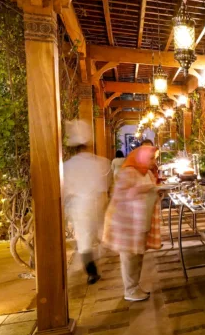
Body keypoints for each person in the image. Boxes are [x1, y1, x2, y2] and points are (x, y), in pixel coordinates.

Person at [102, 144, 161, 301]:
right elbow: (121, 195)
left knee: (138, 254)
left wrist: (157, 191)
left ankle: (135, 287)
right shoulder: (128, 172)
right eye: (151, 158)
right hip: (127, 222)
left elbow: (152, 191)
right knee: (129, 257)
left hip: (141, 220)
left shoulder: (147, 172)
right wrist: (144, 189)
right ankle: (130, 290)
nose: (153, 162)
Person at [62, 120, 110, 284]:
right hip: (97, 203)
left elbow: (66, 190)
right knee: (99, 235)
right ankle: (96, 262)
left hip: (79, 206)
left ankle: (92, 272)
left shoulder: (67, 166)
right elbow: (104, 187)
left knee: (84, 240)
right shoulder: (101, 163)